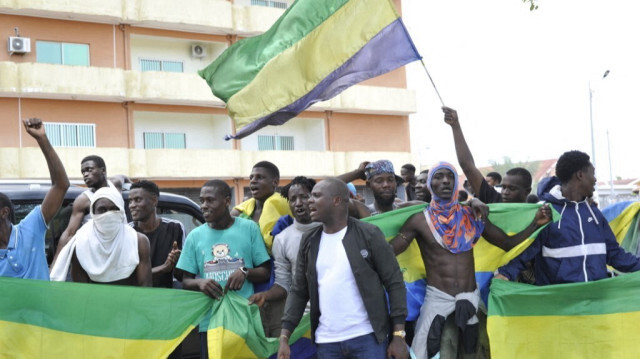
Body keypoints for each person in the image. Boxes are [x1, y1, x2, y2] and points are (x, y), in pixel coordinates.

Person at [390, 162, 550, 358]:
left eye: (450, 176)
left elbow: (507, 243)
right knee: (423, 352)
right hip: (437, 299)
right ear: (430, 184)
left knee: (474, 353)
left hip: (470, 298)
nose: (445, 180)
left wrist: (535, 223)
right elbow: (390, 252)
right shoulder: (419, 220)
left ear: (456, 182)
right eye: (439, 177)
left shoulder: (472, 215)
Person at [277, 178, 408, 359]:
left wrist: (399, 335)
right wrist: (285, 336)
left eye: (316, 196)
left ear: (337, 200)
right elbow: (299, 291)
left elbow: (394, 283)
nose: (309, 201)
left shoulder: (369, 234)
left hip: (368, 339)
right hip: (326, 343)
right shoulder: (309, 241)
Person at [495, 150, 640, 285]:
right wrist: (505, 275)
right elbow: (525, 253)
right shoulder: (546, 212)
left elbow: (615, 255)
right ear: (580, 175)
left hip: (595, 302)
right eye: (593, 173)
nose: (595, 179)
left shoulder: (594, 213)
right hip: (559, 304)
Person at [177, 180, 270, 358]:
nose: (204, 206)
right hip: (210, 322)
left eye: (210, 200)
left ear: (227, 201)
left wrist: (245, 272)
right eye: (202, 201)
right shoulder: (195, 236)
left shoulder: (249, 228)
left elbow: (265, 271)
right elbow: (186, 281)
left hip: (245, 320)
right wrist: (200, 282)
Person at [248, 176, 321, 335]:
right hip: (303, 321)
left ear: (315, 198)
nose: (298, 203)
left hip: (338, 316)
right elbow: (283, 283)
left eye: (304, 196)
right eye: (293, 199)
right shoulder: (282, 239)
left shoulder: (333, 229)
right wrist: (264, 295)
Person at [0, 118, 69, 280]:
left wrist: (42, 139)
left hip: (41, 307)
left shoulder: (30, 228)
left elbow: (61, 185)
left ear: (4, 212)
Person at [50, 187, 152, 286]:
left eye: (114, 209)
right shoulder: (81, 243)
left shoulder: (138, 241)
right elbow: (81, 290)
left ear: (121, 211)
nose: (108, 214)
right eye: (102, 210)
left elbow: (145, 286)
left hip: (130, 301)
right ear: (93, 213)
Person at [444, 107, 532, 204]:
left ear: (527, 191)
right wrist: (455, 126)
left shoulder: (539, 214)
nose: (505, 192)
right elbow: (467, 166)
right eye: (503, 187)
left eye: (512, 189)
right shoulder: (493, 199)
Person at [53, 154, 114, 265]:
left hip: (120, 254)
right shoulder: (84, 200)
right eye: (83, 172)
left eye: (89, 170)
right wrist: (55, 265)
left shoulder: (115, 187)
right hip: (97, 258)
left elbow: (120, 177)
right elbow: (69, 233)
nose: (85, 174)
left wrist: (127, 180)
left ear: (103, 170)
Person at [129, 180, 184, 288]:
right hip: (135, 298)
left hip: (166, 299)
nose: (132, 205)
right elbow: (128, 277)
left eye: (137, 200)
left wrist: (177, 262)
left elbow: (182, 275)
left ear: (154, 200)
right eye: (130, 201)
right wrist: (163, 268)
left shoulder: (175, 228)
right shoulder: (127, 232)